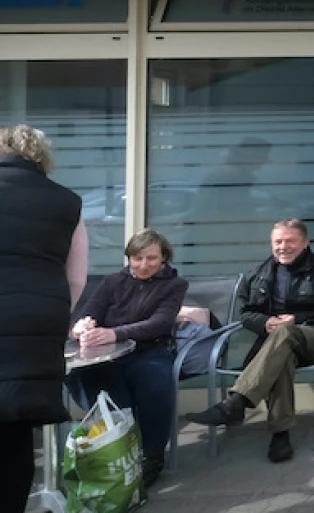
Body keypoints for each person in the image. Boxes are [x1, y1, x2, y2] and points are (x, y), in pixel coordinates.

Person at [186, 219, 314, 463]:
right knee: (282, 357)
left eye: (290, 241)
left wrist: (297, 318)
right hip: (276, 345)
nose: (283, 247)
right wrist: (264, 323)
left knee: (284, 333)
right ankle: (280, 436)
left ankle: (237, 401)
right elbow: (246, 313)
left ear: (305, 242)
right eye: (278, 241)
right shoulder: (259, 274)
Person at [0, 124, 88, 513]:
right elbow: (75, 277)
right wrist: (49, 316)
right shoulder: (66, 201)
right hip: (38, 321)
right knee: (16, 428)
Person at [67, 229, 188, 488]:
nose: (143, 265)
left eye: (151, 259)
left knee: (154, 383)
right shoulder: (112, 282)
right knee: (86, 377)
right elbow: (91, 312)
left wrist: (114, 332)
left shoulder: (175, 285)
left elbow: (159, 323)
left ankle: (153, 455)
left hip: (150, 349)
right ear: (129, 257)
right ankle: (119, 446)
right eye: (137, 258)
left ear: (164, 258)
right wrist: (82, 327)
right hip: (107, 354)